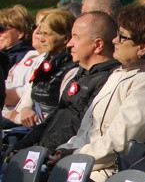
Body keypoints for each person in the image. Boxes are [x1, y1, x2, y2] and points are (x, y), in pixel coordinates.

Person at [54, 4, 145, 182]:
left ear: (142, 48)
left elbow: (120, 143)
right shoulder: (120, 73)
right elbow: (87, 130)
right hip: (86, 165)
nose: (114, 40)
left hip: (111, 178)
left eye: (122, 36)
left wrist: (75, 155)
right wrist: (64, 151)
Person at [13, 11, 120, 154]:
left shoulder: (108, 81)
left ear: (98, 44)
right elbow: (54, 117)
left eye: (76, 37)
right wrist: (21, 148)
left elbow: (78, 127)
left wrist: (42, 153)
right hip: (43, 152)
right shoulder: (81, 73)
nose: (69, 44)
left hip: (63, 159)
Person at [16, 9, 76, 126]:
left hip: (51, 130)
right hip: (33, 126)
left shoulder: (72, 68)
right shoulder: (44, 60)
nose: (41, 39)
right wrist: (25, 109)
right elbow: (30, 92)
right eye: (41, 33)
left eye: (47, 34)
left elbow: (62, 112)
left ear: (66, 39)